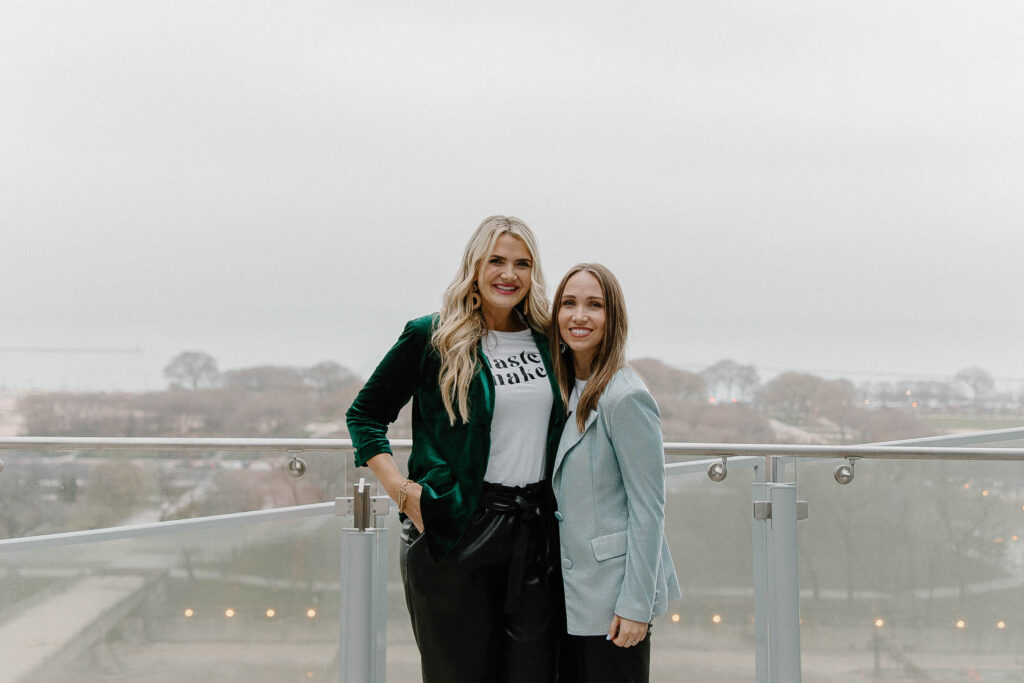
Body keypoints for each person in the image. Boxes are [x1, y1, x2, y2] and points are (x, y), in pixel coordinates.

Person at [346, 216, 566, 683]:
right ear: (475, 265)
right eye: (497, 261)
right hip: (454, 527)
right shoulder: (432, 336)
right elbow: (364, 415)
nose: (509, 274)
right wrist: (403, 492)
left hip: (534, 531)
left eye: (522, 263)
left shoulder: (550, 340)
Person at [549, 263, 681, 683]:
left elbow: (649, 509)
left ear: (613, 318)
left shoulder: (626, 398)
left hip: (613, 599)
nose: (579, 316)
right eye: (569, 304)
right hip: (570, 594)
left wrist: (635, 606)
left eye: (595, 305)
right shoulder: (567, 388)